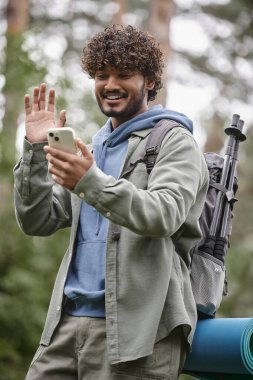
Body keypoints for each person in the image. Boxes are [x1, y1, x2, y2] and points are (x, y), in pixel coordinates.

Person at [14, 24, 208, 380]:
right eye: (101, 75)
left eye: (124, 74)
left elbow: (162, 214)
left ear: (149, 81)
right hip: (65, 327)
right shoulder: (93, 147)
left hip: (138, 334)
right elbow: (37, 221)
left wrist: (89, 181)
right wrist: (36, 151)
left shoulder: (175, 142)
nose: (110, 84)